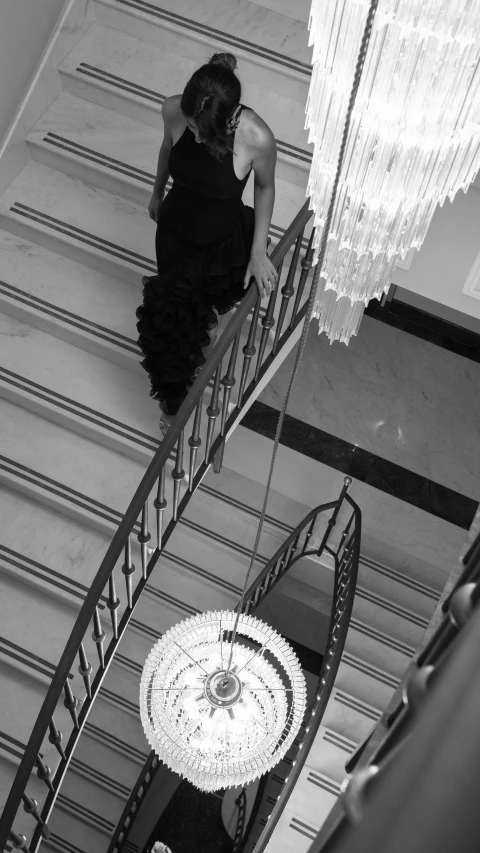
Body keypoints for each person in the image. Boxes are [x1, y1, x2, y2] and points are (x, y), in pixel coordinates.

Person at [136, 52, 278, 431]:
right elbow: (168, 149)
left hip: (218, 245)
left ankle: (202, 352)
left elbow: (264, 186)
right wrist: (156, 193)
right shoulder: (173, 110)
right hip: (173, 238)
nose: (194, 134)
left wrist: (259, 251)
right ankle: (172, 410)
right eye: (192, 126)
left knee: (203, 321)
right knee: (169, 330)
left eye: (201, 130)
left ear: (227, 120)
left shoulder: (256, 137)